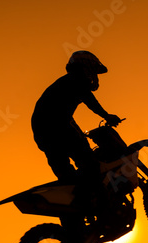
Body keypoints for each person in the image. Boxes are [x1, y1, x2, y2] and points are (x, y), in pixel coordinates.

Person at [31, 50, 121, 191]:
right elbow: (90, 100)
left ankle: (78, 195)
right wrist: (107, 116)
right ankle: (96, 193)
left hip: (40, 129)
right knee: (87, 159)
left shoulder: (65, 81)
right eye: (94, 71)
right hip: (57, 123)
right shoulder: (76, 79)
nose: (95, 76)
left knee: (62, 167)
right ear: (86, 66)